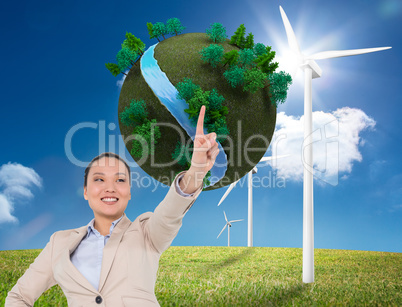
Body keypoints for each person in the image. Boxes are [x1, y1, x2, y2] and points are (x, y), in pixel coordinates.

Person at [6, 106, 219, 306]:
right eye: (99, 180)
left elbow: (170, 214)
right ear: (86, 192)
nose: (110, 188)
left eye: (120, 180)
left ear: (129, 192)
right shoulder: (59, 243)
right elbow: (19, 296)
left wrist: (196, 171)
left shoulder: (146, 232)